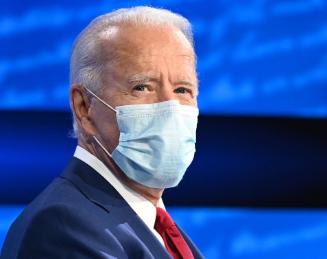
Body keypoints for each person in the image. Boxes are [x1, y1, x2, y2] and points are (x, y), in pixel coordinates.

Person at [1, 6, 203, 259]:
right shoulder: (61, 227)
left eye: (183, 90)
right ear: (84, 107)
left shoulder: (159, 230)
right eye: (142, 87)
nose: (170, 107)